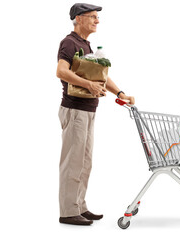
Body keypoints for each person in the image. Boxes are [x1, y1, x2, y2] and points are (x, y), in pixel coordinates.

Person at [56, 3, 135, 225]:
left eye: (97, 17)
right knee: (73, 161)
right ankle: (68, 212)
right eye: (92, 17)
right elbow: (61, 71)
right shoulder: (69, 43)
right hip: (74, 110)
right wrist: (89, 85)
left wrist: (120, 92)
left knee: (84, 161)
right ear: (78, 18)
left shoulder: (86, 45)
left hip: (88, 110)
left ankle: (79, 206)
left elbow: (99, 76)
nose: (97, 21)